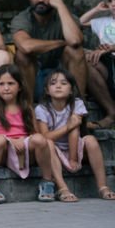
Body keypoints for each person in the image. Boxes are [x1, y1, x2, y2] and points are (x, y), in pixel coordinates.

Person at [0, 65, 58, 204]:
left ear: (20, 86)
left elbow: (34, 133)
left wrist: (23, 140)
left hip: (25, 149)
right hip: (4, 151)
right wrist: (10, 141)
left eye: (11, 83)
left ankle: (47, 181)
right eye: (1, 84)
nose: (6, 88)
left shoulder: (27, 108)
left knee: (40, 139)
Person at [35, 69, 114, 201]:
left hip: (75, 146)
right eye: (53, 83)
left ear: (71, 90)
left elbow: (74, 129)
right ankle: (63, 189)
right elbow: (45, 137)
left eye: (63, 83)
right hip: (54, 150)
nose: (58, 86)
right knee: (48, 143)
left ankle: (103, 187)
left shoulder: (77, 103)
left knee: (91, 140)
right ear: (47, 91)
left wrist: (73, 158)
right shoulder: (41, 109)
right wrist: (67, 126)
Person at [11, 0, 87, 100]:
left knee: (76, 51)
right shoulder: (22, 19)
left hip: (62, 77)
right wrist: (61, 43)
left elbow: (74, 41)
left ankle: (77, 105)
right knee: (22, 55)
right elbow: (26, 46)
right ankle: (28, 107)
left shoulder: (66, 17)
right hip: (34, 78)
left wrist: (60, 6)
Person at [75, 0, 115, 128]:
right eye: (110, 1)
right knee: (85, 59)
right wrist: (96, 9)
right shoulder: (103, 22)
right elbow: (78, 23)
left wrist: (110, 48)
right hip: (107, 63)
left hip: (110, 57)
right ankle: (112, 112)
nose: (113, 4)